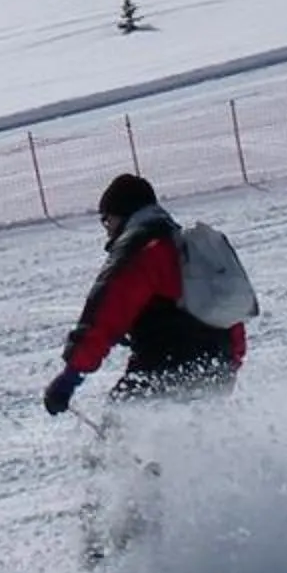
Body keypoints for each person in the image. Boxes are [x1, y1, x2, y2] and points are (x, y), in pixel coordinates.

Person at [41, 172, 244, 414]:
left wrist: (70, 377)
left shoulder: (140, 249)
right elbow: (228, 313)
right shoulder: (189, 247)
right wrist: (230, 364)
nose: (107, 230)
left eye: (107, 220)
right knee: (198, 436)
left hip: (167, 370)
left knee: (121, 426)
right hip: (218, 367)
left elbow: (104, 315)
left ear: (122, 214)